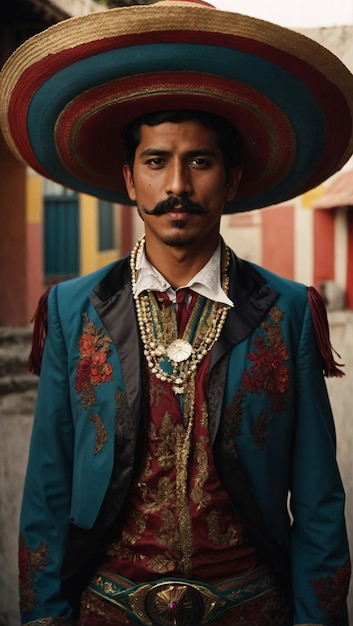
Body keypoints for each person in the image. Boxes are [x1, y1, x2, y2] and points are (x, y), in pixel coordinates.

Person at [1, 1, 352, 624]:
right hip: (105, 609)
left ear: (232, 178)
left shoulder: (289, 311)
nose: (178, 188)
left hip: (251, 609)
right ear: (130, 180)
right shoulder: (71, 308)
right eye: (156, 162)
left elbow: (320, 501)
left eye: (201, 161)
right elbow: (49, 491)